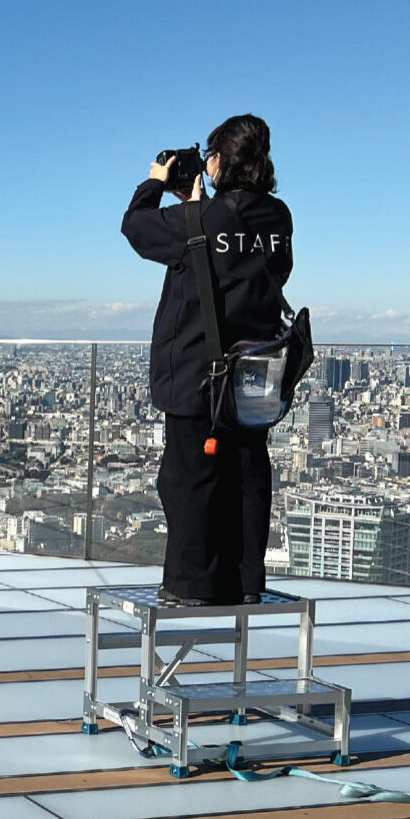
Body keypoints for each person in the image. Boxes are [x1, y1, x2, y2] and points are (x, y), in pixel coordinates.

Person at [120, 114, 292, 606]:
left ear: (217, 161)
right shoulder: (278, 218)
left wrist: (154, 183)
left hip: (198, 375)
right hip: (254, 377)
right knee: (247, 477)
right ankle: (245, 581)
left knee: (190, 480)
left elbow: (135, 228)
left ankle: (191, 585)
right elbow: (243, 253)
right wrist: (197, 210)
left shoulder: (198, 222)